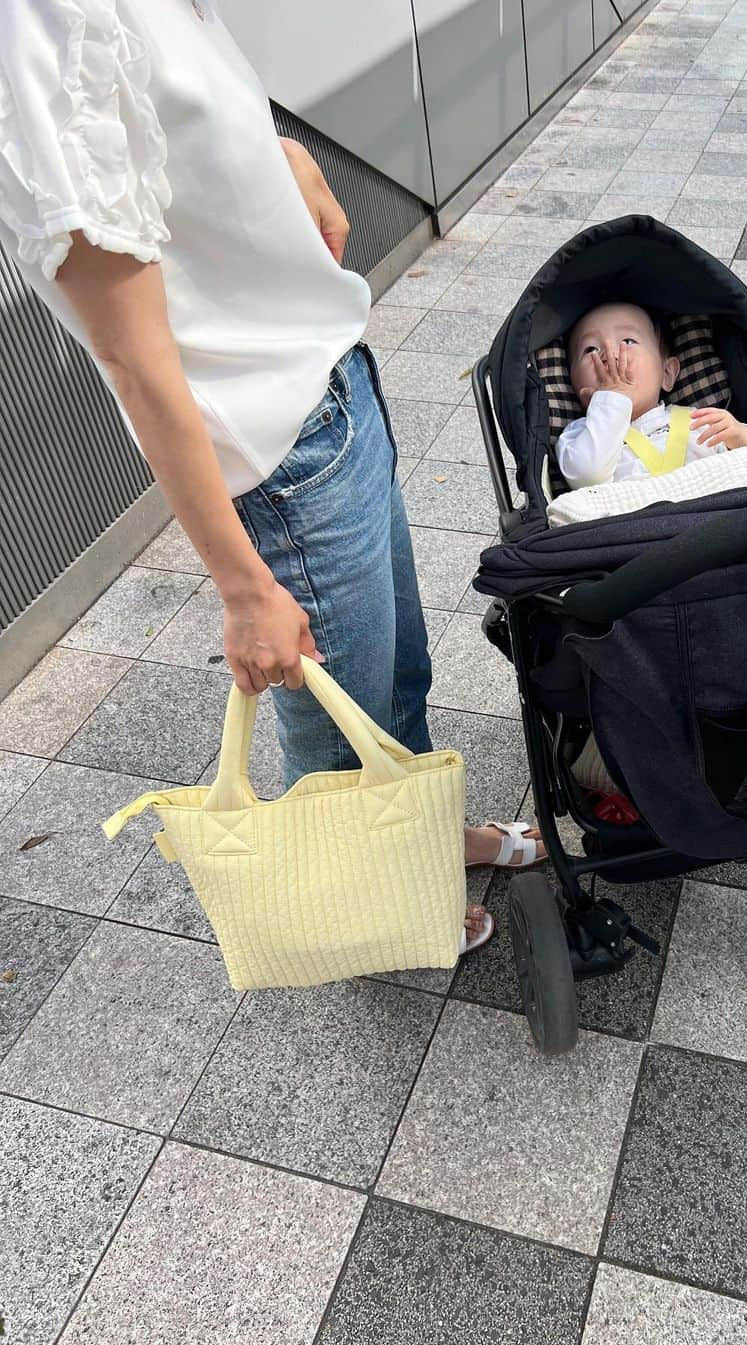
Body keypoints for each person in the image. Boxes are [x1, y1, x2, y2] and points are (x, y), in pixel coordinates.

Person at [0, 0, 544, 954]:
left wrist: (286, 157)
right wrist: (245, 586)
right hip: (280, 463)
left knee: (396, 684)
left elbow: (183, 133)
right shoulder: (45, 31)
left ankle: (422, 839)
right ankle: (381, 908)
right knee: (339, 738)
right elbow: (133, 356)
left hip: (336, 388)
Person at [556, 302, 747, 491]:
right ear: (576, 385)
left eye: (628, 341)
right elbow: (588, 477)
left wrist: (742, 438)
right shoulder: (579, 435)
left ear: (667, 373)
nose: (611, 354)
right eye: (591, 348)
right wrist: (611, 402)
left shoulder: (701, 420)